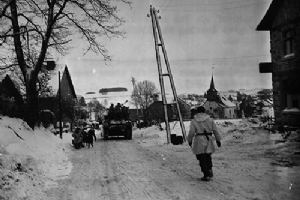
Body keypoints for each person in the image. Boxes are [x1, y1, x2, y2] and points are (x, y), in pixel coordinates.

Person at [187, 106, 221, 181]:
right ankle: (209, 169)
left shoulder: (194, 121)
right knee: (208, 156)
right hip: (208, 139)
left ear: (197, 112)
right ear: (204, 111)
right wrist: (218, 140)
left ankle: (206, 174)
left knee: (201, 157)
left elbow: (191, 132)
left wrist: (189, 140)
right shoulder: (210, 120)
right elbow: (215, 131)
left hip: (199, 140)